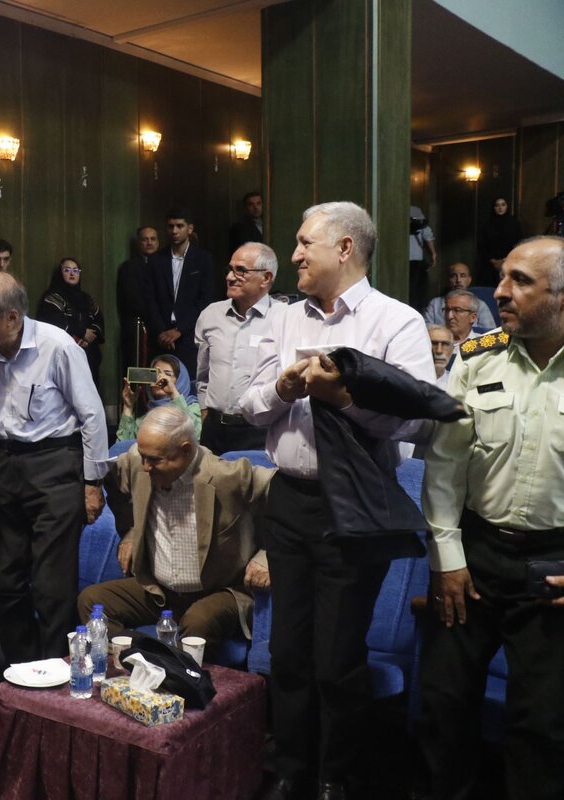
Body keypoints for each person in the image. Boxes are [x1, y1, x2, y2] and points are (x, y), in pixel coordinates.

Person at [241, 201, 435, 800]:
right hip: (289, 500)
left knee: (337, 656)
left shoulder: (396, 322)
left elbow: (418, 419)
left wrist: (345, 397)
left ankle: (336, 776)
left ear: (345, 248)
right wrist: (282, 387)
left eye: (305, 243)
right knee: (287, 651)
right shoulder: (283, 319)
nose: (294, 254)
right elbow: (248, 404)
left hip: (355, 504)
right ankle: (291, 768)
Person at [419, 235, 564, 800]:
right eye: (502, 277)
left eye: (520, 281)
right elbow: (444, 466)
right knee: (444, 703)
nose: (499, 292)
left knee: (542, 724)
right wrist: (446, 558)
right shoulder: (480, 354)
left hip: (552, 565)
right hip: (473, 555)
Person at [0, 272, 109, 667]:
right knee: (3, 579)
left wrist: (93, 482)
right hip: (8, 464)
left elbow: (93, 416)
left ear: (12, 317)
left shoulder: (57, 347)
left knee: (51, 586)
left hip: (57, 466)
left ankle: (55, 675)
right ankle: (21, 671)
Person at [78, 405, 272, 642]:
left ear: (185, 450)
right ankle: (140, 657)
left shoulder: (227, 476)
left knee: (198, 621)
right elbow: (114, 483)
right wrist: (131, 531)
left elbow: (288, 496)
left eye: (154, 460)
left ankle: (176, 665)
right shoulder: (139, 462)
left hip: (218, 591)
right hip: (160, 592)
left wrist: (267, 556)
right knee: (92, 602)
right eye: (142, 456)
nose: (145, 467)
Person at [194, 242, 279, 454]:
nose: (230, 277)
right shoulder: (210, 315)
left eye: (241, 270)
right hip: (215, 429)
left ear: (266, 278)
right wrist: (204, 410)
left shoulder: (284, 318)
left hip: (261, 431)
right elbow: (203, 373)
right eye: (230, 269)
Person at [145, 208, 216, 377]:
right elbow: (150, 299)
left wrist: (179, 330)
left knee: (188, 383)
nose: (174, 231)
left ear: (189, 228)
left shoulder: (203, 259)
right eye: (171, 226)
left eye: (179, 226)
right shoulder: (156, 259)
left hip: (189, 335)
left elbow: (205, 300)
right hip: (161, 336)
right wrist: (161, 331)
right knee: (158, 382)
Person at [36, 257, 104, 391]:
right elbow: (53, 324)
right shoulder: (53, 297)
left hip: (88, 354)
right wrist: (81, 333)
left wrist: (87, 339)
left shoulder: (87, 299)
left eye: (76, 270)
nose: (72, 274)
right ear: (60, 273)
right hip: (63, 355)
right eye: (67, 270)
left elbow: (98, 320)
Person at [115, 353, 201, 443]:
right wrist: (128, 407)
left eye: (167, 374)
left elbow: (195, 436)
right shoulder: (146, 419)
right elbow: (121, 446)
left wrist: (174, 393)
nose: (160, 378)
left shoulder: (193, 408)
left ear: (180, 380)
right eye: (155, 374)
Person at [116, 226, 161, 374]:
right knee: (140, 373)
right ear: (138, 243)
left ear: (158, 242)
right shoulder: (128, 268)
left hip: (164, 331)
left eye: (153, 239)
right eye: (145, 239)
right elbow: (132, 301)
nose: (149, 243)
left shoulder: (166, 265)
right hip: (140, 329)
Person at [423, 262, 496, 329]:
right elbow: (425, 330)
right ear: (448, 280)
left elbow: (491, 333)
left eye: (463, 276)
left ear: (469, 280)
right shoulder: (435, 304)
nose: (458, 280)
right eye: (453, 276)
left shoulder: (480, 305)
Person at [476, 196, 522, 286]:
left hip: (510, 261)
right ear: (493, 208)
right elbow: (482, 244)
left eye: (503, 205)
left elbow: (519, 243)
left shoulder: (514, 223)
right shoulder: (487, 224)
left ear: (507, 206)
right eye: (497, 205)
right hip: (489, 265)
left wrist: (505, 260)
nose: (500, 208)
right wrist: (493, 261)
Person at [409, 205, 437, 310]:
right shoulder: (418, 216)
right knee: (417, 288)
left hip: (409, 260)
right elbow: (428, 236)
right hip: (417, 258)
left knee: (412, 288)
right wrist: (433, 254)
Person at [427, 324, 452, 389]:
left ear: (452, 350)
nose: (439, 351)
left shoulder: (461, 384)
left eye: (445, 344)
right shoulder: (408, 381)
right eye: (433, 344)